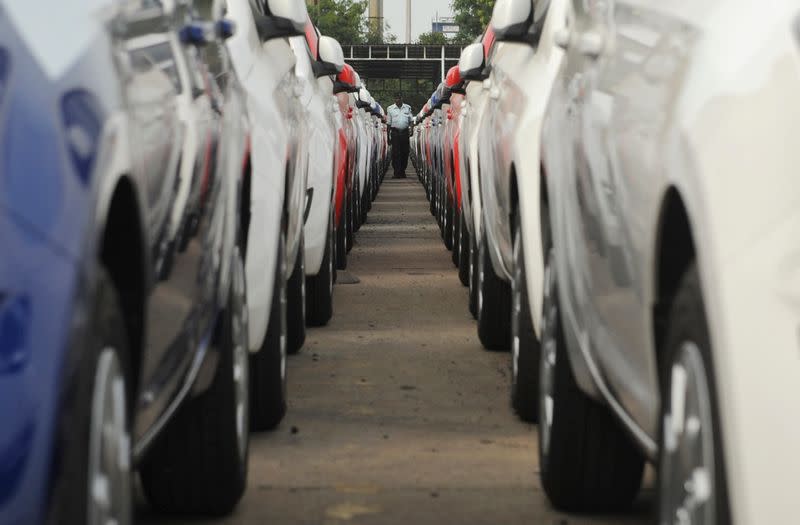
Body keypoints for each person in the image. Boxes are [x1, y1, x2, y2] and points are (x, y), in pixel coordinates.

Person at [387, 93, 413, 178]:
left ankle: (402, 171)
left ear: (402, 99)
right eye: (396, 98)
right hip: (395, 133)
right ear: (394, 99)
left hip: (405, 133)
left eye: (399, 98)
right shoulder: (390, 109)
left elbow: (411, 120)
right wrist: (388, 136)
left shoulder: (408, 108)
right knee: (395, 153)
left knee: (405, 152)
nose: (398, 100)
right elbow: (388, 123)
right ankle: (396, 172)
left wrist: (411, 129)